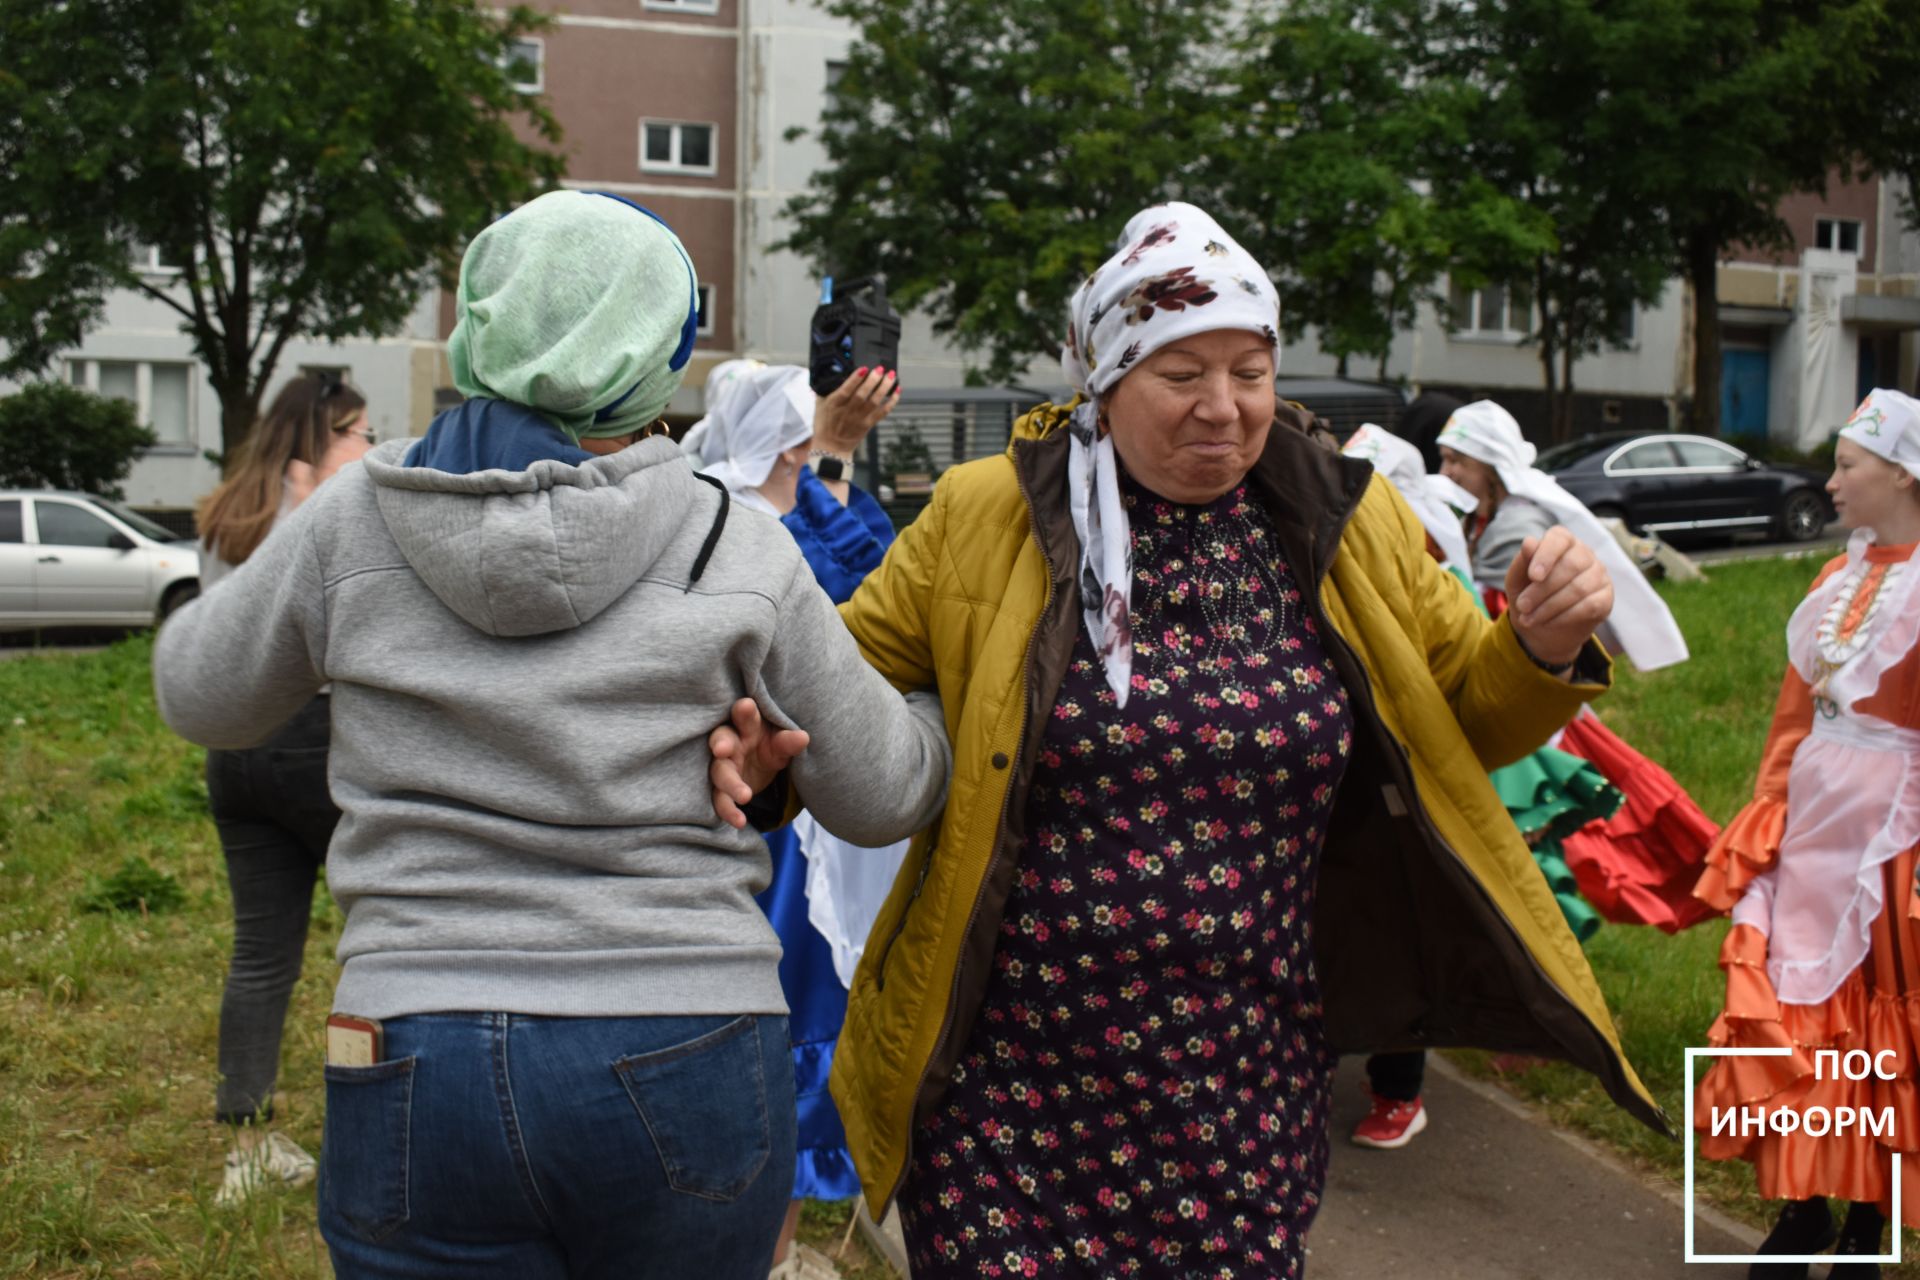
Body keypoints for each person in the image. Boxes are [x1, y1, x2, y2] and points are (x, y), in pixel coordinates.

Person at [713, 202, 1665, 1279]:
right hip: (1007, 1087)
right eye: (1181, 373)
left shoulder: (1345, 522)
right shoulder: (989, 514)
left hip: (1242, 1081)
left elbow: (1465, 719)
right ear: (1106, 380)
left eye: (1250, 370)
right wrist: (760, 764)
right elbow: (834, 688)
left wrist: (1538, 649)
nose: (1224, 408)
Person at [153, 189, 952, 1280]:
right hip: (690, 1032)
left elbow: (202, 693)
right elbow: (883, 794)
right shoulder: (736, 541)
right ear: (660, 357)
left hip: (413, 1040)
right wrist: (938, 697)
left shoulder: (356, 517)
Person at [1338, 424, 1623, 1150]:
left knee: (1412, 934)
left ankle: (1403, 1086)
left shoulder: (1434, 575)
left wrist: (1540, 642)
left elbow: (1479, 695)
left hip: (1422, 796)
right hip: (1340, 804)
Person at [1694, 388, 1920, 1278]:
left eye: (1848, 466)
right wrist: (1769, 815)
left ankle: (1866, 1220)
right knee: (1795, 1017)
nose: (1830, 481)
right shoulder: (1833, 580)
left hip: (1891, 830)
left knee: (1871, 1024)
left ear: (1902, 473)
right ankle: (1805, 1204)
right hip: (1815, 821)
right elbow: (1795, 716)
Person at [689, 358, 907, 1279]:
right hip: (779, 834)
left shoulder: (703, 510)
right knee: (780, 1042)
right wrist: (831, 463)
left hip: (742, 830)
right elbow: (868, 591)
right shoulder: (756, 533)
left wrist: (828, 461)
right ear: (788, 441)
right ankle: (765, 1255)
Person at [192, 373, 375, 1205]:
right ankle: (373, 1131)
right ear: (322, 436)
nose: (371, 447)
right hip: (318, 741)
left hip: (235, 750)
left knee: (261, 954)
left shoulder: (226, 511)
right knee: (376, 944)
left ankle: (247, 1145)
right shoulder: (330, 516)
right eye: (360, 432)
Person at [1436, 400, 1720, 936]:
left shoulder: (1512, 526)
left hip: (1529, 693)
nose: (1448, 472)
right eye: (1445, 460)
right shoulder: (1485, 518)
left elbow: (1505, 628)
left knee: (1546, 820)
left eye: (1458, 462)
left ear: (1490, 468)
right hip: (1519, 687)